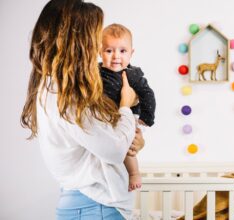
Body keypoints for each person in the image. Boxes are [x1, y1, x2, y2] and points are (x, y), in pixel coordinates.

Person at [20, 0, 144, 219]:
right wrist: (126, 105)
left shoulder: (55, 87)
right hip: (97, 206)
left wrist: (132, 141)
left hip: (87, 203)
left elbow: (105, 141)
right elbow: (114, 151)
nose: (98, 47)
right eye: (95, 39)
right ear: (78, 42)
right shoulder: (67, 96)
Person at [100, 23, 156, 191]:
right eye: (109, 51)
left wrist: (146, 119)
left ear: (131, 53)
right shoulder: (94, 73)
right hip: (105, 119)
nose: (116, 56)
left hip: (129, 117)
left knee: (128, 147)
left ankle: (134, 173)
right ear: (99, 52)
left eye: (122, 51)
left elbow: (148, 94)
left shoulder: (132, 75)